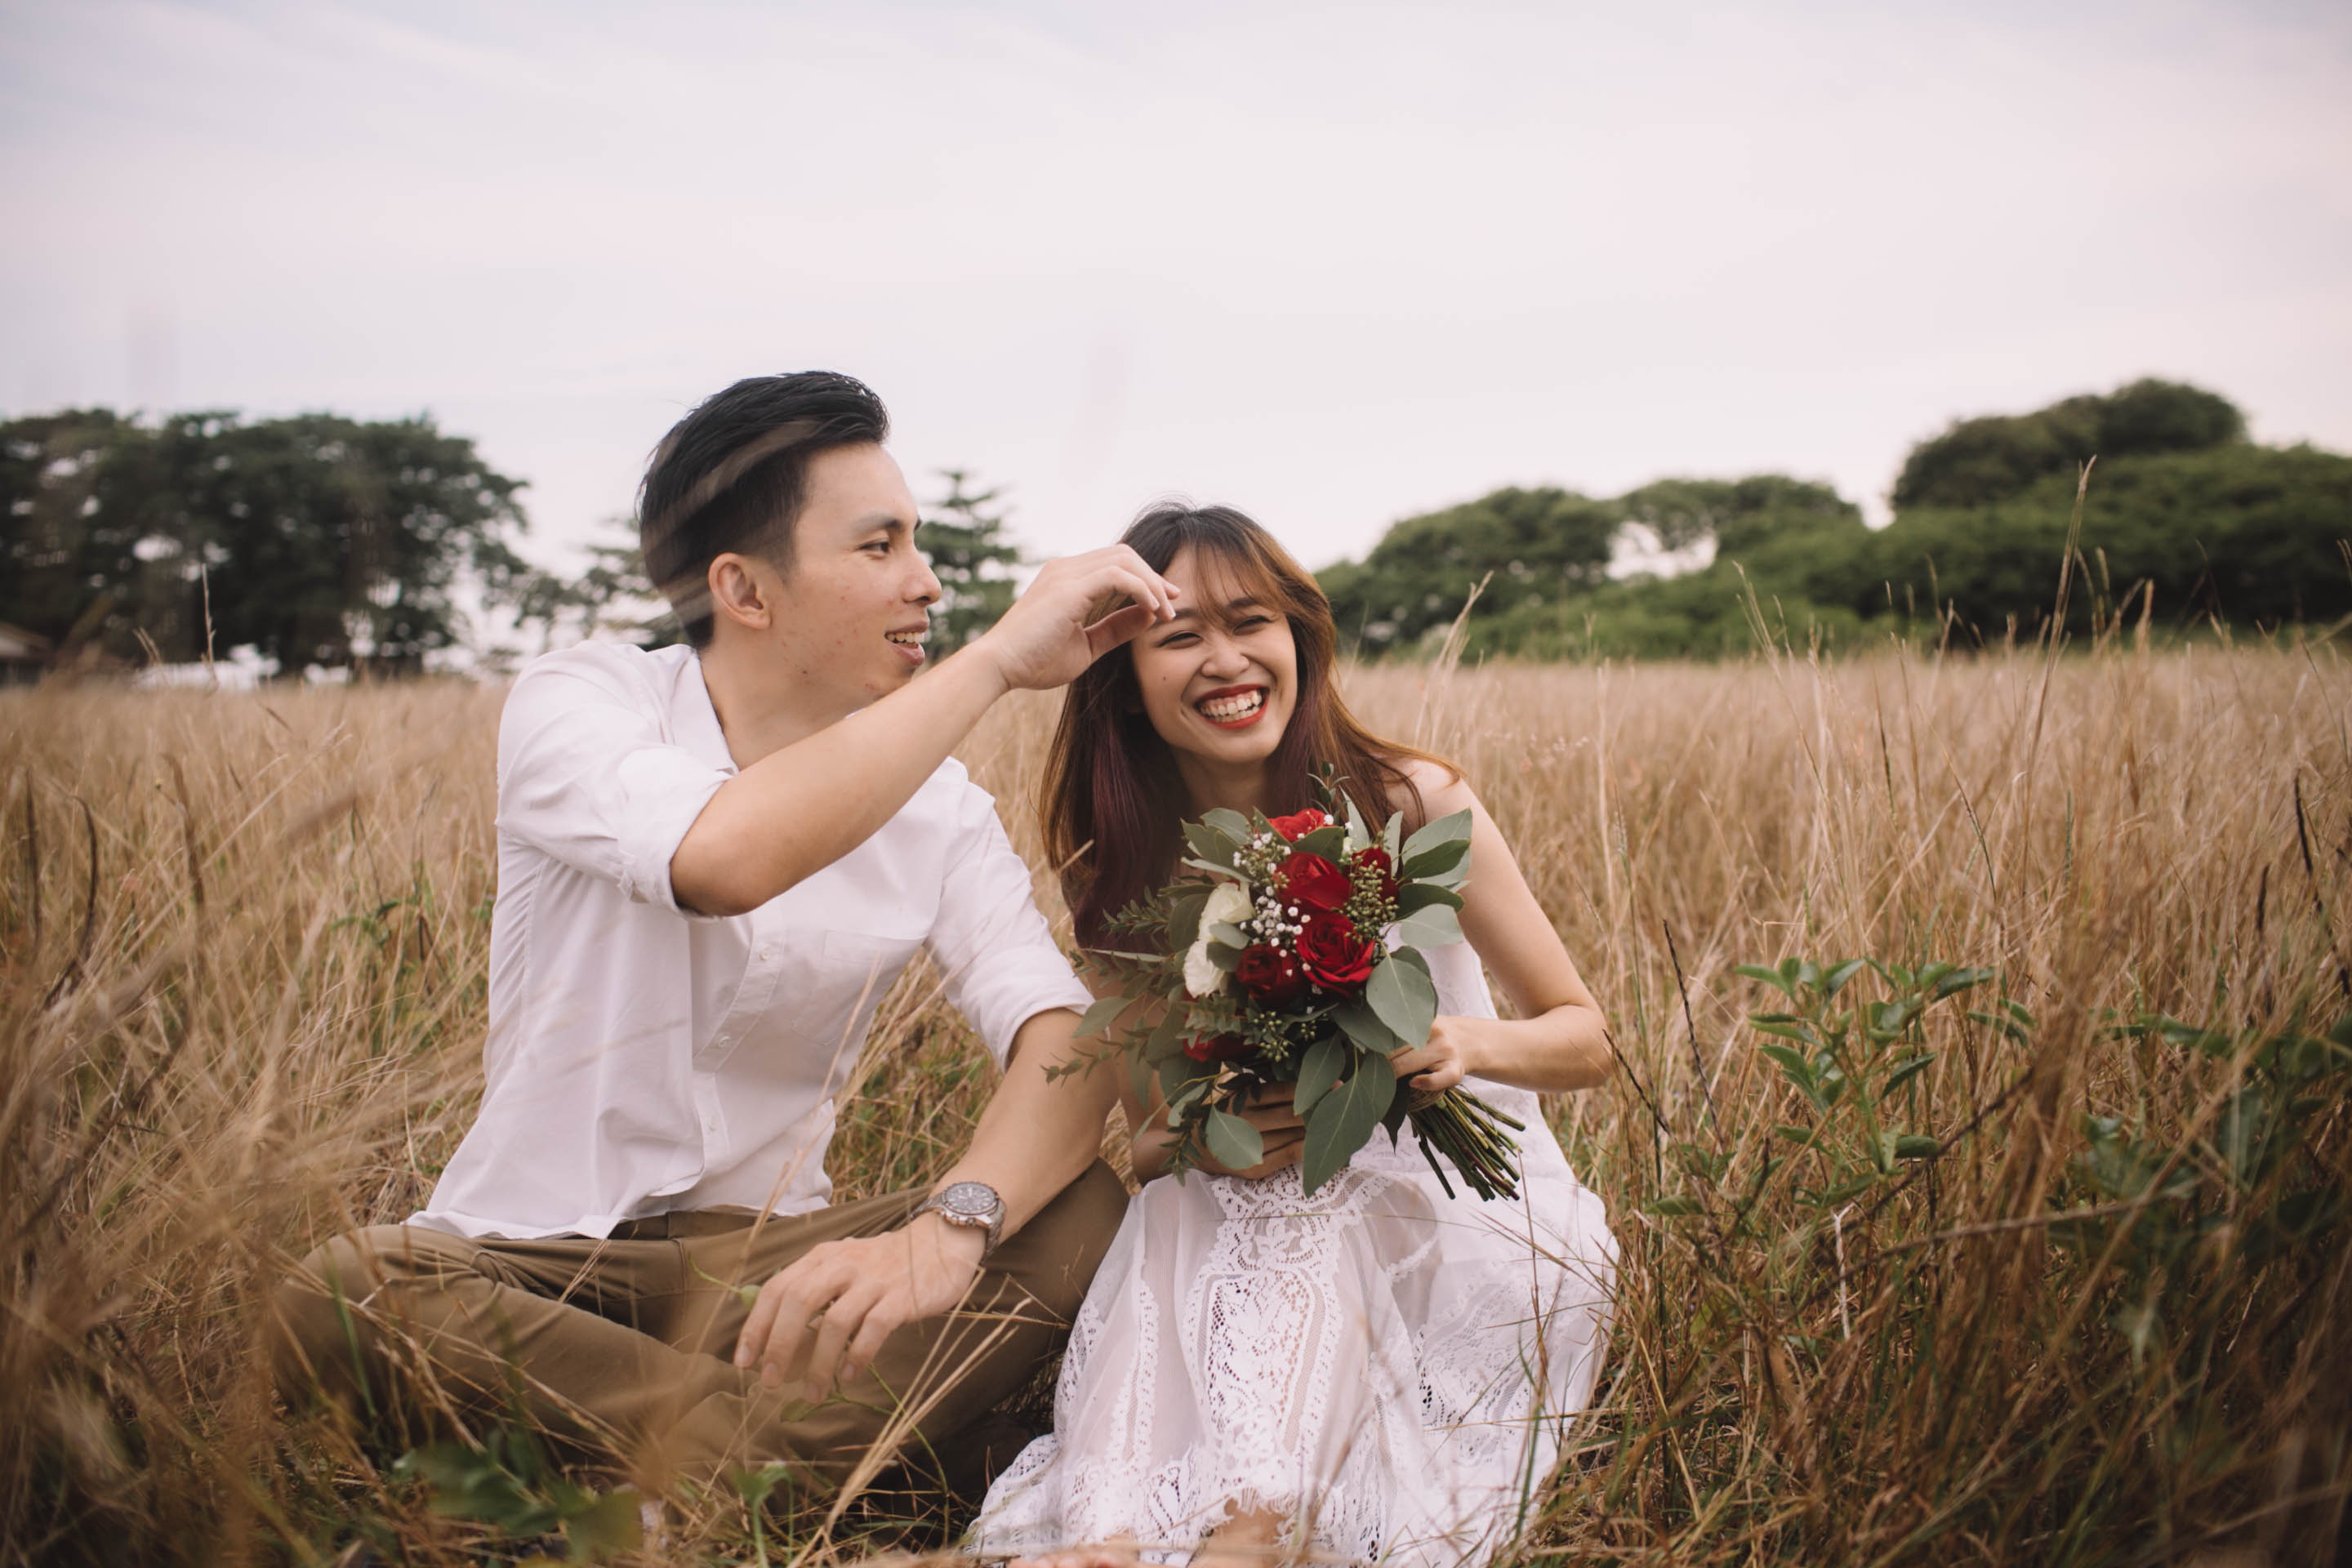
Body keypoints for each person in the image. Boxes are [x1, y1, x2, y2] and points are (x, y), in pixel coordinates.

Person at [270, 372, 1185, 1494]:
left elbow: (1064, 1036)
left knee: (1082, 1209)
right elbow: (724, 860)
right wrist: (994, 663)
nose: (927, 580)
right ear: (744, 589)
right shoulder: (582, 703)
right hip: (534, 1261)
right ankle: (819, 1481)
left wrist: (944, 1233)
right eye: (881, 546)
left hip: (770, 1280)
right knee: (349, 1293)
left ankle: (676, 1479)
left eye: (917, 542)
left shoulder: (941, 809)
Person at [969, 504, 1618, 1568]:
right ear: (1125, 680)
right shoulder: (1127, 868)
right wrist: (1210, 1135)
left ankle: (1253, 1530)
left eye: (1250, 622)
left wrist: (1459, 1045)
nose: (1226, 660)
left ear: (1298, 638)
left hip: (1463, 1219)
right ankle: (1110, 1534)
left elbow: (1586, 1039)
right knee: (1199, 1197)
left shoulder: (1410, 800)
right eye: (1180, 637)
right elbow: (1149, 1142)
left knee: (1312, 1201)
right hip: (1253, 1218)